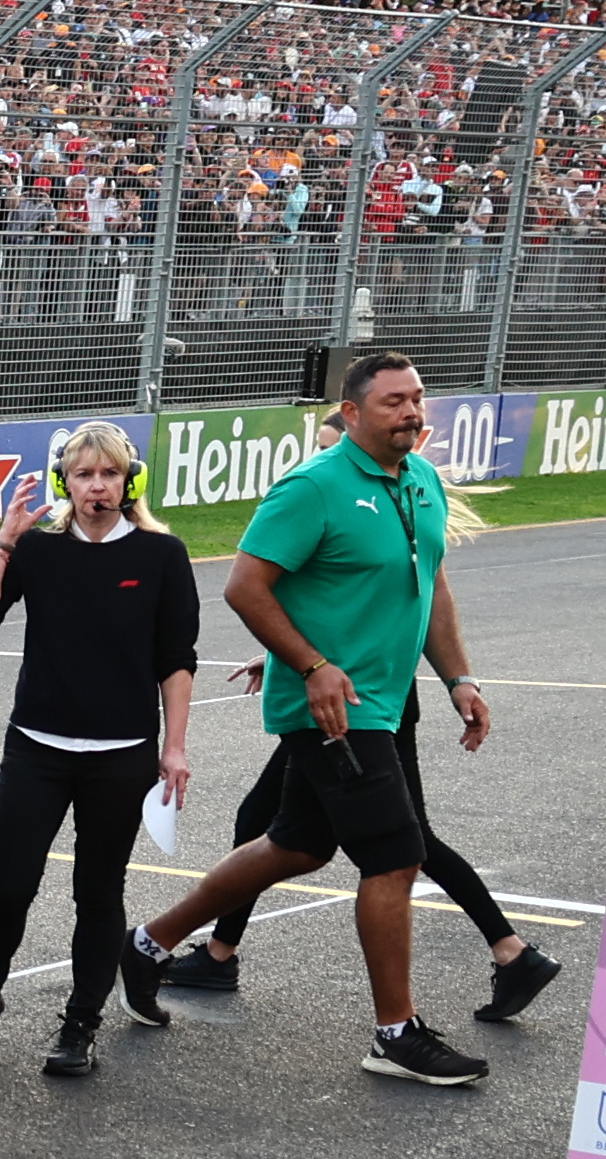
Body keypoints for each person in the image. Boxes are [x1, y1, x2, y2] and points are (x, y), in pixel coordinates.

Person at [127, 352, 508, 1086]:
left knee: (298, 846)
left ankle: (146, 944)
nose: (412, 412)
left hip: (387, 707)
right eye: (395, 401)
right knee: (395, 856)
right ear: (355, 412)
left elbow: (429, 589)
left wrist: (458, 677)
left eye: (418, 398)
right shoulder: (313, 487)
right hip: (331, 710)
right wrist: (309, 664)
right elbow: (245, 587)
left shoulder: (420, 482)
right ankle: (395, 1033)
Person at [0, 420, 195, 1077]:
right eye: (83, 475)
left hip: (122, 753)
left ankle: (81, 1023)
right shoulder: (40, 551)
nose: (96, 487)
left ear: (128, 481)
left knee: (98, 893)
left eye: (108, 474)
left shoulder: (162, 555)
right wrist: (6, 538)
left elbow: (176, 658)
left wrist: (177, 748)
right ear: (65, 483)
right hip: (36, 749)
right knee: (9, 886)